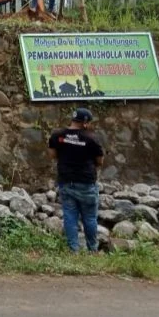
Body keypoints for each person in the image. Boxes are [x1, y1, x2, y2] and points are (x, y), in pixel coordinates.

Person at [47, 108, 104, 253]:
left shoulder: (57, 136)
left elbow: (53, 155)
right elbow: (100, 161)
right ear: (85, 123)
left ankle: (74, 250)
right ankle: (93, 250)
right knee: (90, 218)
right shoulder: (91, 138)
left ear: (73, 120)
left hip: (66, 181)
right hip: (86, 182)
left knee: (70, 216)